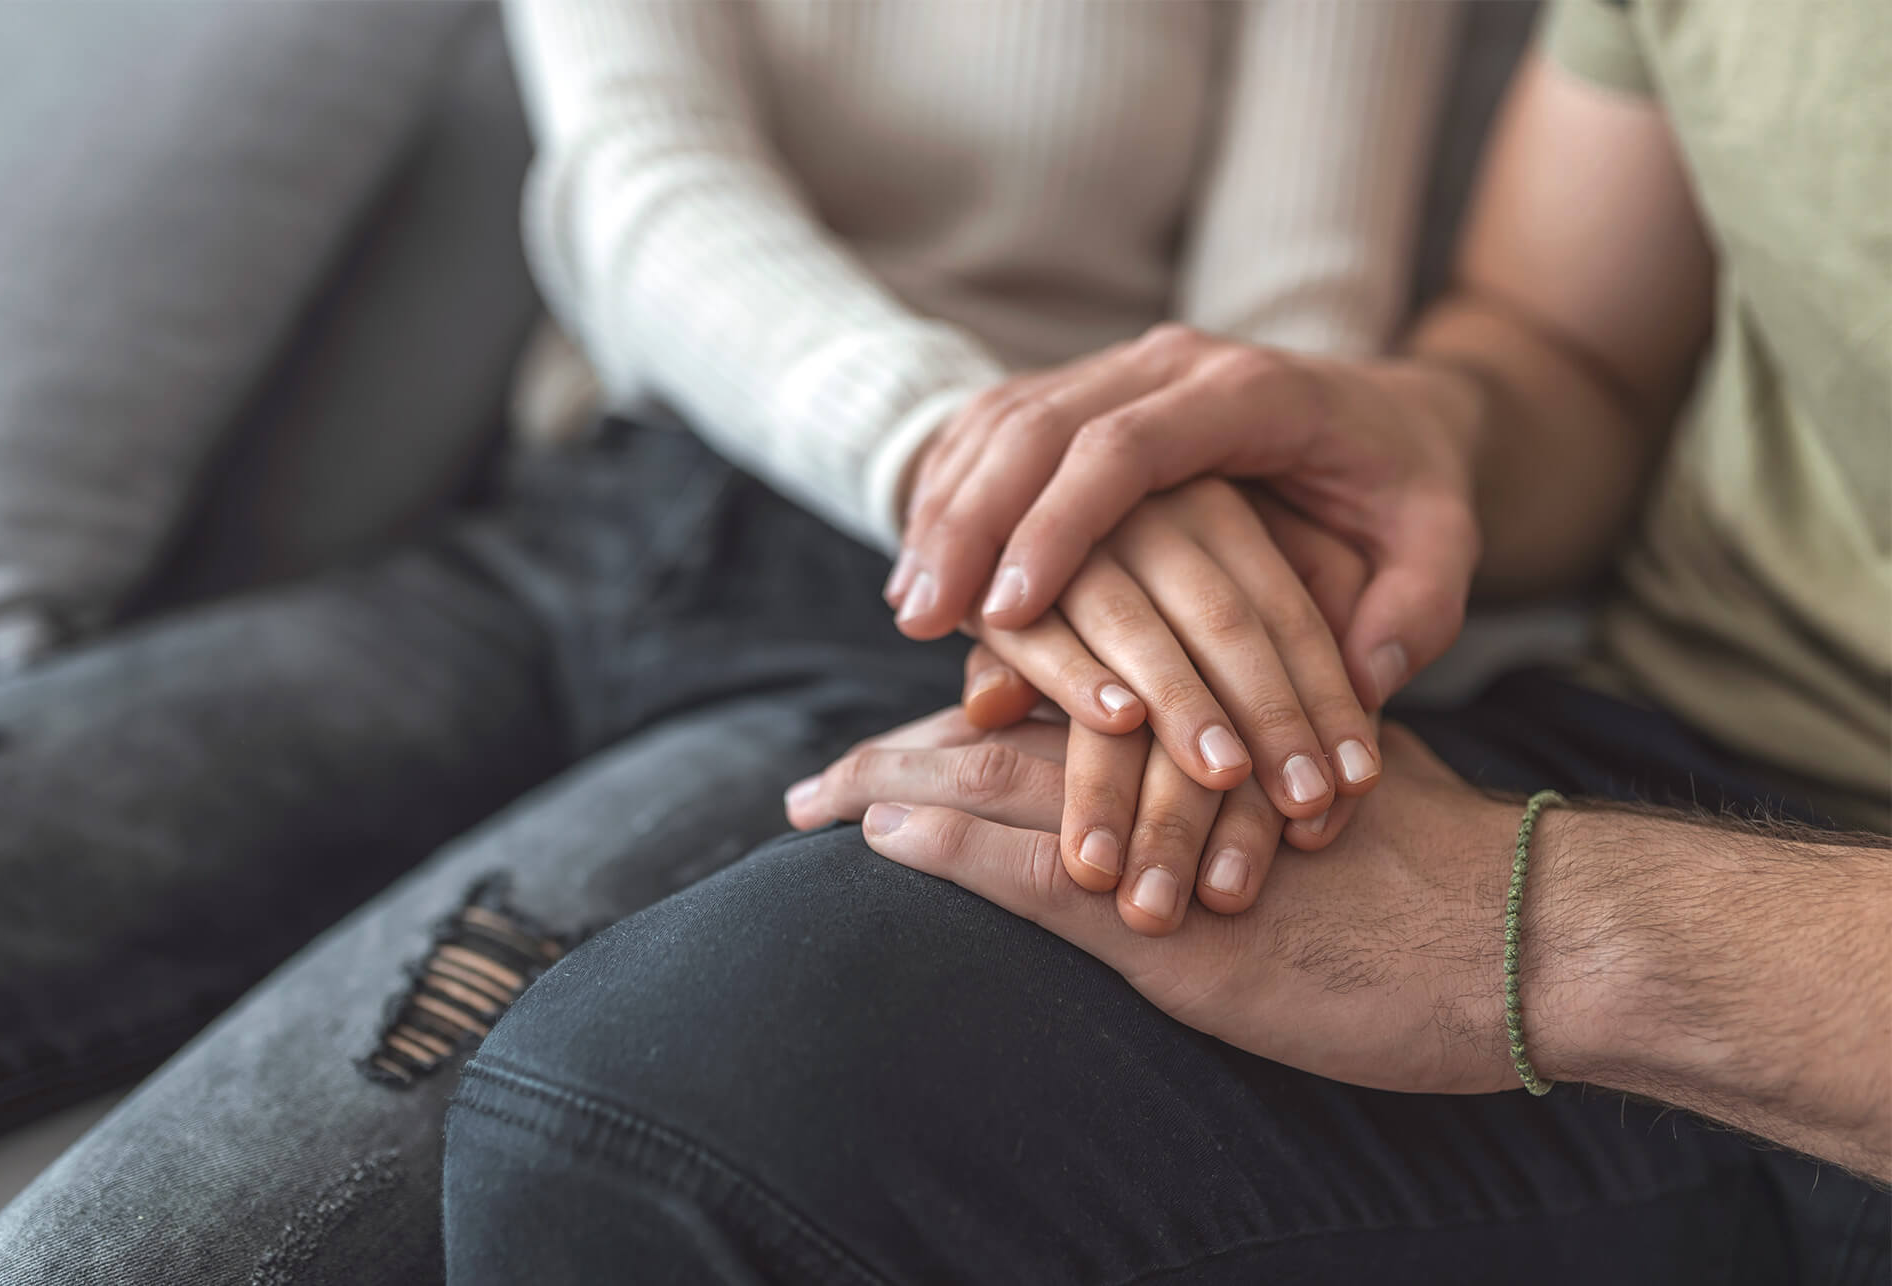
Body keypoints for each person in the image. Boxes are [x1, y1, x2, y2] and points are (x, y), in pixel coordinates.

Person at [0, 3, 1456, 1282]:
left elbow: (1288, 344)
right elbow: (640, 185)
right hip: (575, 543)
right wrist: (963, 456)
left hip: (937, 636)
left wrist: (1164, 583)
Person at [441, 2, 1891, 1281]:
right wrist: (1419, 432)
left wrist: (1536, 923)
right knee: (648, 1102)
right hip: (1641, 740)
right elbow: (1572, 353)